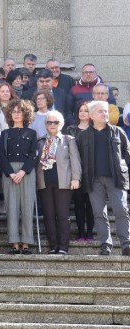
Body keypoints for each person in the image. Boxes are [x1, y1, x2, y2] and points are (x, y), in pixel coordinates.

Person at [77, 101, 130, 256]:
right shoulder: (83, 135)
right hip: (93, 180)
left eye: (106, 111)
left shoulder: (117, 131)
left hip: (116, 179)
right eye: (100, 111)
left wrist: (124, 169)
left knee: (121, 210)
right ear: (92, 115)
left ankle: (126, 244)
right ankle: (105, 244)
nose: (105, 114)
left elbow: (127, 153)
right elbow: (78, 158)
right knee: (99, 213)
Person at [36, 110, 81, 255]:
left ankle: (63, 247)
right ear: (46, 125)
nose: (52, 125)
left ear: (61, 124)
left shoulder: (69, 140)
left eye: (55, 122)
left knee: (62, 215)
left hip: (64, 183)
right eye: (49, 122)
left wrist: (76, 178)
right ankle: (53, 245)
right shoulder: (40, 141)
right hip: (44, 182)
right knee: (48, 215)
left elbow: (75, 160)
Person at [0, 99, 38, 255]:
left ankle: (26, 242)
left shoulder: (32, 133)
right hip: (10, 172)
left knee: (27, 206)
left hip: (26, 172)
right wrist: (11, 173)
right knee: (12, 207)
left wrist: (22, 172)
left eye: (19, 111)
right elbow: (1, 155)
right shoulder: (5, 133)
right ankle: (14, 242)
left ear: (25, 114)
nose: (16, 114)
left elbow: (34, 154)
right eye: (13, 111)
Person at [65, 101, 95, 241]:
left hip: (93, 173)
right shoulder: (71, 129)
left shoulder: (96, 129)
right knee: (78, 203)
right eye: (81, 110)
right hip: (76, 172)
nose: (83, 113)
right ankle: (81, 233)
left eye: (86, 110)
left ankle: (90, 233)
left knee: (91, 204)